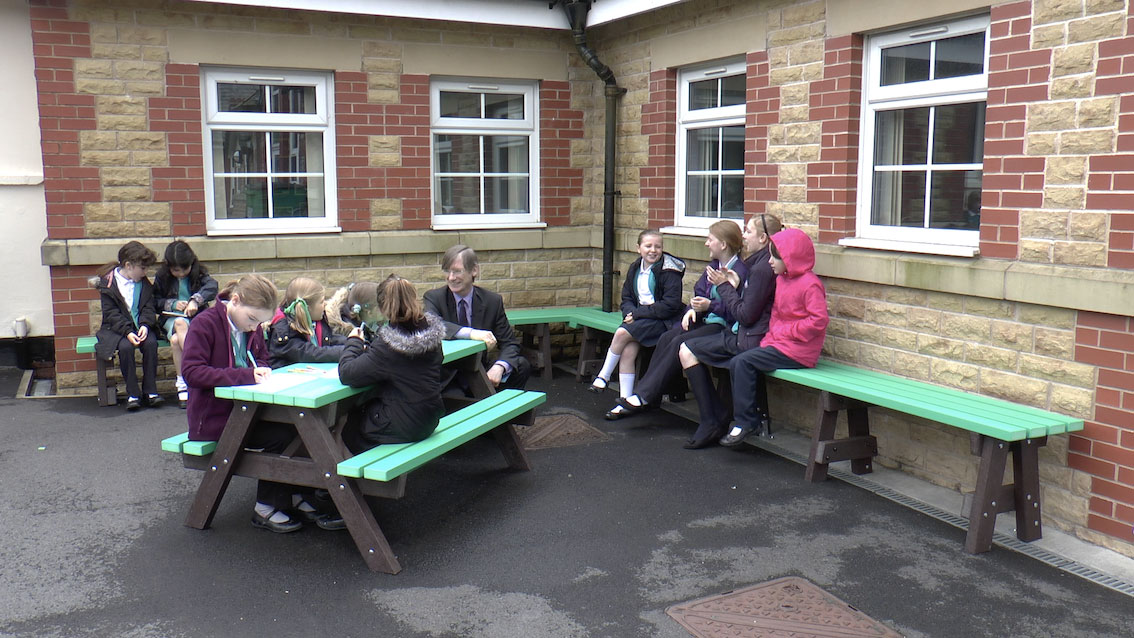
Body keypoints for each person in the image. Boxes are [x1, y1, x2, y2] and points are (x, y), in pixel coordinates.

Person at [181, 274, 316, 534]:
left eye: (260, 322)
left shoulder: (248, 327)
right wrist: (244, 375)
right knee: (282, 435)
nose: (254, 327)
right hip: (213, 418)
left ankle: (294, 494)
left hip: (246, 410)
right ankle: (265, 507)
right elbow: (192, 372)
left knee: (299, 429)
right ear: (235, 301)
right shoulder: (204, 324)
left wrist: (262, 369)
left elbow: (262, 358)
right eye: (252, 319)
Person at [606, 220, 748, 420]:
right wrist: (692, 309)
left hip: (723, 326)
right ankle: (648, 398)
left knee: (679, 342)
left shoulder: (740, 271)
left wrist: (709, 306)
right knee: (667, 337)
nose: (706, 243)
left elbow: (738, 310)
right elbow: (699, 292)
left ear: (723, 244)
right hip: (705, 320)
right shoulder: (714, 265)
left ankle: (643, 396)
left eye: (710, 239)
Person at [677, 214, 780, 448]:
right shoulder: (757, 263)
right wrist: (732, 285)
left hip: (748, 339)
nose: (744, 236)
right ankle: (715, 417)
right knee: (682, 345)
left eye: (748, 231)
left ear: (763, 238)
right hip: (744, 333)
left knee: (686, 349)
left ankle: (712, 420)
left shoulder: (762, 269)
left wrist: (724, 286)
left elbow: (745, 315)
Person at [720, 227, 829, 447]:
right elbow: (777, 315)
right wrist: (772, 338)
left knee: (743, 362)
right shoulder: (782, 280)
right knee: (737, 361)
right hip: (780, 345)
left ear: (789, 258)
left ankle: (746, 422)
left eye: (774, 256)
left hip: (799, 352)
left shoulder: (810, 284)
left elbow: (818, 321)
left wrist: (785, 333)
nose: (769, 261)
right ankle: (745, 418)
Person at [338, 275, 446, 453]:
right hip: (430, 417)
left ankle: (357, 479)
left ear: (382, 308)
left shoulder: (388, 345)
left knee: (350, 423)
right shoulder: (430, 333)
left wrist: (354, 342)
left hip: (407, 425)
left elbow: (347, 373)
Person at [588, 230, 685, 401]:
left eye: (658, 246)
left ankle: (603, 376)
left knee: (621, 333)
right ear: (638, 248)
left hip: (665, 321)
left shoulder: (669, 271)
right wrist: (629, 313)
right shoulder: (635, 267)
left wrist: (637, 314)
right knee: (627, 350)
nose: (653, 250)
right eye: (648, 246)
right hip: (642, 318)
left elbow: (670, 305)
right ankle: (624, 399)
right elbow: (626, 297)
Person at [423, 244, 531, 392]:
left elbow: (510, 343)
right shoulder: (434, 298)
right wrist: (471, 333)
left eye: (457, 271)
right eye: (447, 271)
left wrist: (499, 367)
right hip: (449, 376)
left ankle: (500, 412)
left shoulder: (492, 301)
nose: (451, 277)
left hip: (480, 370)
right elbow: (433, 323)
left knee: (521, 365)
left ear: (474, 270)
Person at [93, 241, 162, 411]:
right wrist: (128, 332)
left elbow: (148, 306)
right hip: (117, 331)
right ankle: (133, 394)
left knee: (151, 344)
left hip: (141, 328)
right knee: (125, 348)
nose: (145, 272)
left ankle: (150, 391)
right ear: (128, 265)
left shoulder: (144, 283)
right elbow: (111, 314)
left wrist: (146, 325)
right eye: (143, 268)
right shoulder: (108, 284)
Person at [153, 240, 218, 409]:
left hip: (196, 319)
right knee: (181, 323)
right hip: (171, 319)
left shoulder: (200, 274)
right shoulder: (161, 278)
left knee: (176, 341)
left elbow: (212, 287)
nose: (180, 274)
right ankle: (198, 367)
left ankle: (183, 384)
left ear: (191, 263)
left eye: (185, 269)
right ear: (168, 267)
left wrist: (195, 300)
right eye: (176, 270)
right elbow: (154, 301)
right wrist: (173, 304)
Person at [266, 276, 348, 369]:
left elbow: (329, 340)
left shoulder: (316, 320)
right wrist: (347, 351)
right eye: (321, 302)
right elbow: (310, 353)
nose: (325, 304)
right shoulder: (283, 330)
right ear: (308, 309)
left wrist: (353, 341)